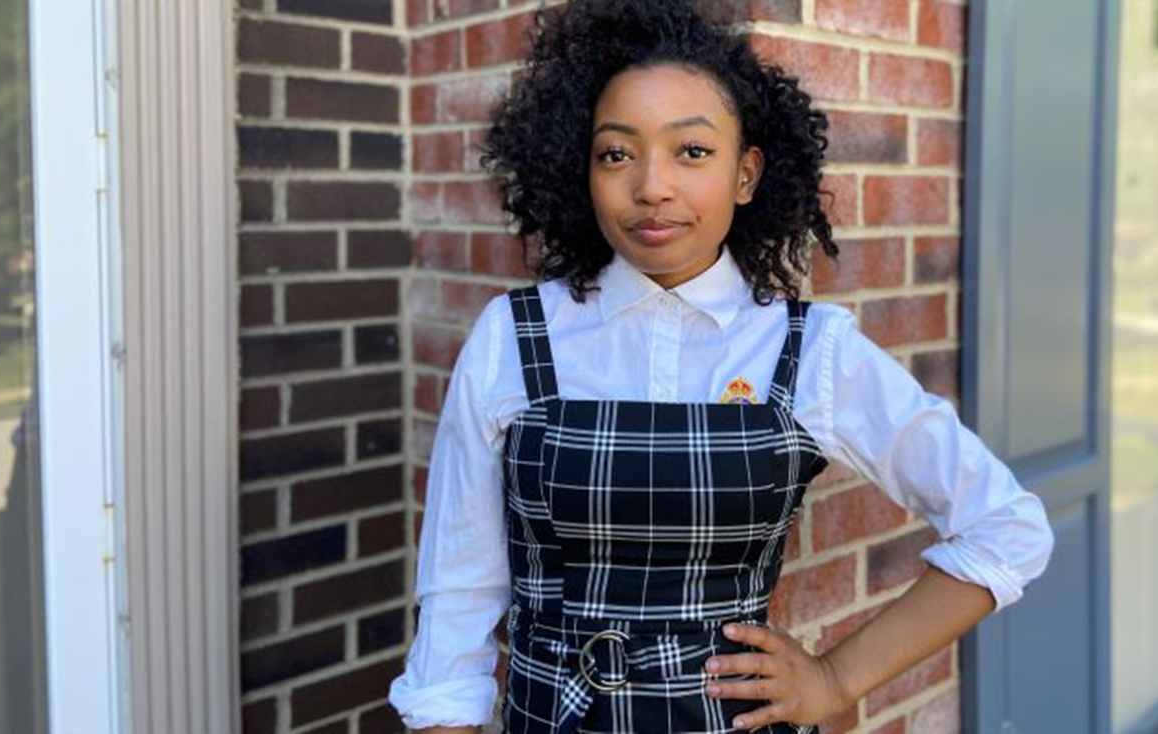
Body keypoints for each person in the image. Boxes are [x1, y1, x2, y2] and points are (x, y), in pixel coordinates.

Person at [388, 0, 1055, 732]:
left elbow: (1006, 527)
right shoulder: (514, 339)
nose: (652, 186)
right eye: (616, 153)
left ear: (746, 174)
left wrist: (835, 678)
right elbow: (457, 606)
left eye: (692, 152)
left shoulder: (808, 352)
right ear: (582, 170)